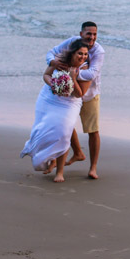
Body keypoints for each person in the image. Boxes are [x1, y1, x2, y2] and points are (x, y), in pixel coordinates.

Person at [21, 39, 91, 182]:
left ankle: (60, 172)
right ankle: (48, 157)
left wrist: (72, 77)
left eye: (85, 54)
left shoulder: (85, 68)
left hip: (69, 104)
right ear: (72, 53)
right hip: (49, 98)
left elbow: (79, 94)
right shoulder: (60, 61)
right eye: (80, 53)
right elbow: (46, 75)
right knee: (44, 128)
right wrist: (54, 84)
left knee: (63, 134)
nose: (83, 57)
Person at [47, 21, 104, 179]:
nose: (92, 37)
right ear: (81, 34)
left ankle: (93, 168)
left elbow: (91, 74)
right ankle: (78, 152)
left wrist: (72, 73)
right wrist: (54, 63)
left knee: (93, 130)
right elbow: (51, 52)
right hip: (70, 95)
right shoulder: (71, 43)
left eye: (94, 34)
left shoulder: (99, 51)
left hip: (90, 94)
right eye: (88, 34)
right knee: (66, 126)